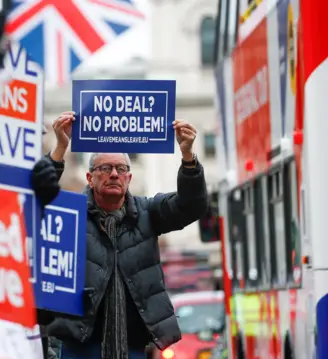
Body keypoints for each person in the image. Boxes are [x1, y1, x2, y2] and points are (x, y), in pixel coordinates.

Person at [45, 111, 209, 359]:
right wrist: (60, 148)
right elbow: (40, 200)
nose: (113, 174)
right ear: (89, 178)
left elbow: (191, 205)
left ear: (129, 178)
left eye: (121, 169)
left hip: (131, 348)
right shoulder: (71, 214)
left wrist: (187, 157)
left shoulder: (148, 212)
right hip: (79, 346)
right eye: (105, 168)